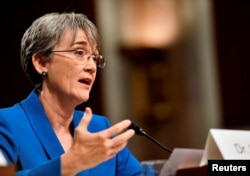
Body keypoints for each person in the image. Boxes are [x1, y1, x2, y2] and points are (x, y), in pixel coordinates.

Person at [0, 12, 142, 176]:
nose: (92, 67)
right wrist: (68, 164)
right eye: (79, 52)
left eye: (95, 58)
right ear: (41, 62)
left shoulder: (99, 127)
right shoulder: (7, 124)